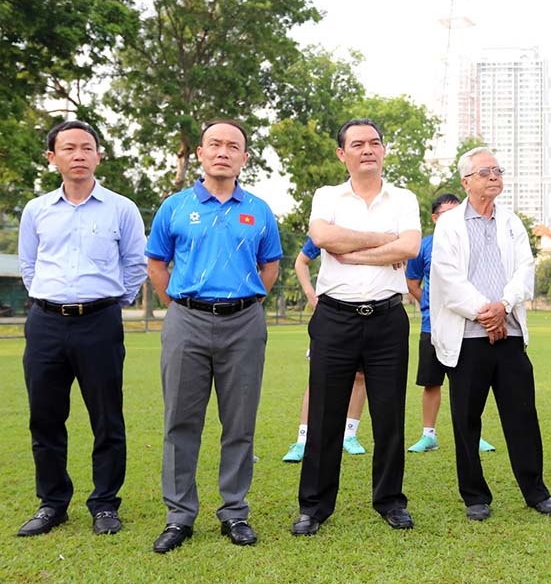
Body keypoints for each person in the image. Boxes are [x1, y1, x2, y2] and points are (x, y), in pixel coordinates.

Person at [146, 119, 282, 552]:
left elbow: (270, 267)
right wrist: (182, 308)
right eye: (215, 144)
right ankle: (179, 515)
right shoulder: (174, 206)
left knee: (239, 423)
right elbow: (157, 265)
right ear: (201, 153)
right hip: (186, 319)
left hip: (244, 322)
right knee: (180, 423)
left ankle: (234, 512)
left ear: (244, 158)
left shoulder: (259, 210)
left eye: (233, 146)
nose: (223, 152)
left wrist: (242, 304)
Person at [16, 120, 146, 537]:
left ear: (98, 156)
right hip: (46, 324)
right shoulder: (36, 210)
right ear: (52, 157)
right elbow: (28, 265)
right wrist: (47, 300)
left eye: (86, 148)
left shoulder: (121, 208)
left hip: (99, 323)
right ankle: (52, 502)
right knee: (45, 417)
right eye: (68, 148)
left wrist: (109, 304)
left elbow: (135, 265)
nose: (78, 156)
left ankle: (105, 503)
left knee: (106, 417)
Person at [293, 118, 420, 536]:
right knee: (325, 416)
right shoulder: (328, 196)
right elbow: (323, 236)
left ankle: (389, 500)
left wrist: (356, 250)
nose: (368, 149)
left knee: (389, 416)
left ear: (384, 151)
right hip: (334, 318)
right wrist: (380, 240)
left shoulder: (403, 198)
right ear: (341, 153)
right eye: (358, 143)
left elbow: (409, 246)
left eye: (375, 143)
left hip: (387, 319)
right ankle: (314, 506)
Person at [430, 147, 551, 522]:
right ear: (466, 181)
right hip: (467, 337)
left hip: (510, 334)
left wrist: (502, 307)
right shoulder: (449, 223)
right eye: (485, 171)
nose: (494, 177)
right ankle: (475, 496)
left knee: (522, 416)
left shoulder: (511, 221)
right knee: (467, 420)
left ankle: (536, 492)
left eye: (498, 170)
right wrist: (485, 313)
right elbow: (447, 278)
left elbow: (525, 269)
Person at [405, 193, 495, 454]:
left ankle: (472, 435)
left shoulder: (474, 241)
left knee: (469, 384)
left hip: (468, 327)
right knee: (431, 382)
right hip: (431, 326)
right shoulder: (424, 246)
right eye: (447, 214)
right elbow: (412, 283)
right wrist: (434, 305)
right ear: (435, 218)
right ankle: (428, 435)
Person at [282, 236, 368, 462]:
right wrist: (311, 293)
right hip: (333, 314)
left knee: (361, 376)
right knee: (318, 379)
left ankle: (349, 435)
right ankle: (303, 439)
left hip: (368, 315)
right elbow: (301, 261)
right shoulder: (328, 230)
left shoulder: (379, 226)